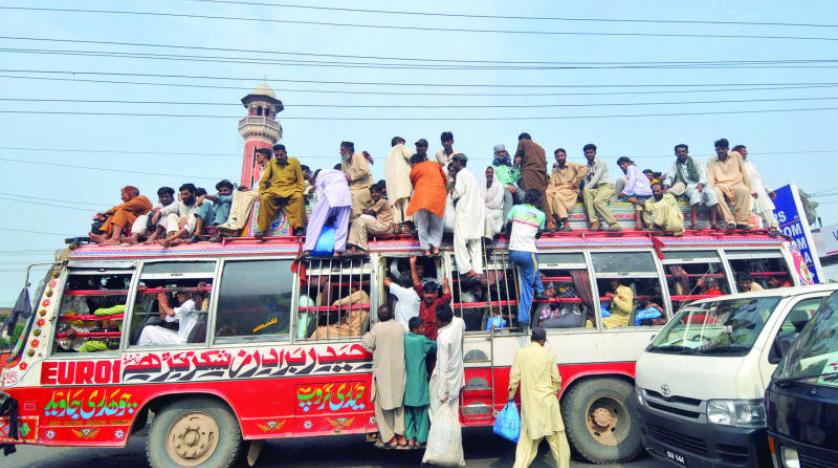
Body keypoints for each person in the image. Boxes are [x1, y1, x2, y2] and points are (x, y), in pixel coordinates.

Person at [508, 327, 571, 468]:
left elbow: (514, 379)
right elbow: (557, 380)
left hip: (531, 407)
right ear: (542, 341)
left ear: (531, 339)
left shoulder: (521, 354)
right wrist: (553, 391)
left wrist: (510, 397)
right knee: (558, 443)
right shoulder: (549, 355)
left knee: (526, 444)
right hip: (549, 405)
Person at [362, 305, 407, 449]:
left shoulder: (376, 329)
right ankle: (401, 436)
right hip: (399, 371)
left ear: (378, 316)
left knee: (383, 406)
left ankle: (389, 437)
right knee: (400, 404)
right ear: (392, 314)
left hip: (383, 373)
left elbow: (366, 344)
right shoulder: (400, 327)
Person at [507, 190, 547, 329]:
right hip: (528, 253)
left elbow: (508, 224)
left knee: (534, 265)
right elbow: (539, 233)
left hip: (513, 251)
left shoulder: (515, 208)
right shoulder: (541, 215)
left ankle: (540, 290)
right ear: (537, 201)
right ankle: (523, 320)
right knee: (528, 288)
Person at [255, 144, 306, 239]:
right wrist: (262, 191)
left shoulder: (294, 161)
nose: (279, 157)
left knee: (298, 197)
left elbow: (300, 180)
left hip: (291, 190)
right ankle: (262, 230)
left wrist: (299, 190)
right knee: (265, 198)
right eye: (277, 155)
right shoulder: (272, 163)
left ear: (285, 153)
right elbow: (263, 180)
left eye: (281, 155)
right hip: (275, 190)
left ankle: (299, 228)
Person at [662, 144, 718, 229]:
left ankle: (714, 222)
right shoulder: (674, 164)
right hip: (688, 185)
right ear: (676, 154)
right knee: (695, 193)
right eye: (679, 152)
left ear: (687, 152)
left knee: (712, 194)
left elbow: (703, 173)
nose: (681, 153)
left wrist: (701, 184)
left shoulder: (696, 161)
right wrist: (666, 186)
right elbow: (670, 176)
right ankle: (694, 223)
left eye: (683, 151)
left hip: (702, 183)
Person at [301, 168, 353, 258]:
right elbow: (349, 178)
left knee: (315, 221)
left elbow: (320, 197)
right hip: (346, 194)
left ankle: (308, 249)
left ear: (314, 179)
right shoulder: (337, 172)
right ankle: (338, 251)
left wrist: (327, 215)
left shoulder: (319, 176)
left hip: (331, 192)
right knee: (342, 225)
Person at [403, 316, 437, 449]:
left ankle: (410, 438)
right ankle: (421, 439)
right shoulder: (422, 340)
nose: (424, 329)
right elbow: (436, 346)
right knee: (421, 412)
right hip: (419, 381)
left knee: (408, 412)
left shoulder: (404, 339)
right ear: (415, 329)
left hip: (406, 381)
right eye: (422, 327)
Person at [449, 154, 485, 279]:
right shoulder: (472, 175)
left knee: (460, 241)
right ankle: (478, 270)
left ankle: (467, 269)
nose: (453, 164)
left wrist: (451, 194)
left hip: (465, 212)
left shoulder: (461, 174)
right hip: (476, 214)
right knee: (475, 243)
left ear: (458, 162)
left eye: (454, 162)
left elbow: (458, 192)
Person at [406, 151, 447, 256]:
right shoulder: (435, 164)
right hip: (438, 196)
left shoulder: (414, 170)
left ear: (414, 162)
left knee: (422, 224)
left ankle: (426, 249)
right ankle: (436, 248)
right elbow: (444, 179)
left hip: (423, 197)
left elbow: (414, 185)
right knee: (437, 224)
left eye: (411, 164)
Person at [429, 304, 465, 422]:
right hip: (456, 378)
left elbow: (442, 367)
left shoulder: (443, 338)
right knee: (452, 414)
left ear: (443, 322)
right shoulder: (459, 322)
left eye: (437, 319)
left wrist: (442, 393)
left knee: (436, 414)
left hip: (445, 382)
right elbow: (463, 327)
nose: (435, 321)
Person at [734, 144, 780, 236]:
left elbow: (759, 179)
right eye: (744, 151)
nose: (746, 153)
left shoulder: (751, 164)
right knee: (751, 215)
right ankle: (754, 234)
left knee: (767, 211)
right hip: (747, 195)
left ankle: (775, 230)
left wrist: (769, 190)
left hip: (760, 192)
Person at [707, 138, 752, 230]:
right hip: (720, 185)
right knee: (714, 192)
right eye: (718, 149)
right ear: (715, 150)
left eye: (723, 149)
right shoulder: (711, 162)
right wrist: (709, 191)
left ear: (727, 149)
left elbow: (744, 172)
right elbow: (710, 179)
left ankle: (741, 222)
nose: (720, 151)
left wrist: (750, 188)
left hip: (736, 184)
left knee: (745, 190)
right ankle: (730, 221)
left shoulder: (736, 156)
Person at [545, 148, 588, 232]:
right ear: (555, 158)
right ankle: (552, 220)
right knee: (547, 192)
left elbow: (585, 169)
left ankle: (566, 223)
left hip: (569, 189)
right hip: (557, 189)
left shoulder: (571, 165)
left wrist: (576, 180)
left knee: (558, 196)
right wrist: (549, 190)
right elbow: (552, 184)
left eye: (561, 155)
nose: (560, 158)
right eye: (557, 156)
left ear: (565, 156)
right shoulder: (555, 169)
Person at [581, 144, 621, 232]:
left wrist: (585, 188)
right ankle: (594, 222)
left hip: (607, 186)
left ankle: (614, 225)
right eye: (587, 153)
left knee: (597, 201)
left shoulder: (601, 163)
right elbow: (586, 182)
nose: (589, 154)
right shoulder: (586, 167)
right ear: (584, 154)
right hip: (597, 188)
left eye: (591, 152)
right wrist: (583, 191)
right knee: (586, 192)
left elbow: (596, 178)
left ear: (595, 153)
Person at [410, 256, 451, 340]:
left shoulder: (439, 303)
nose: (428, 296)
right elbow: (416, 282)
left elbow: (447, 295)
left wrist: (446, 283)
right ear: (423, 293)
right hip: (422, 340)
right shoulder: (423, 299)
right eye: (426, 293)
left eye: (431, 293)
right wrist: (412, 263)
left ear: (436, 294)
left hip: (435, 341)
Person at [347, 183, 395, 255]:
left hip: (386, 227)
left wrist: (360, 211)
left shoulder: (382, 201)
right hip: (380, 225)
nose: (374, 194)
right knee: (356, 220)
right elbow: (367, 212)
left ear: (381, 193)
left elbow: (369, 212)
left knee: (361, 219)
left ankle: (363, 248)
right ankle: (353, 248)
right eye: (372, 193)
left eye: (376, 192)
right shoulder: (375, 202)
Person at [516, 133, 551, 226]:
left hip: (530, 174)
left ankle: (532, 222)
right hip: (542, 176)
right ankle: (550, 222)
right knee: (543, 198)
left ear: (522, 139)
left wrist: (516, 162)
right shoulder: (541, 148)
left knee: (529, 197)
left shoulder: (523, 143)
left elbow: (517, 158)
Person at [384, 136, 414, 232]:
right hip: (403, 181)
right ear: (398, 142)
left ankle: (397, 225)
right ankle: (407, 225)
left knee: (395, 205)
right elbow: (412, 156)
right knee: (406, 202)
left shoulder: (388, 155)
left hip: (392, 185)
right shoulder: (400, 147)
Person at [616, 157, 653, 230]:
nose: (622, 166)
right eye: (620, 165)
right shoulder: (635, 169)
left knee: (623, 197)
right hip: (645, 193)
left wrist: (624, 192)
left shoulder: (631, 168)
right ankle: (641, 204)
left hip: (641, 193)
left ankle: (642, 204)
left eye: (623, 164)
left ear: (629, 163)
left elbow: (631, 181)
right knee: (632, 199)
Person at [340, 141, 373, 220]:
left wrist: (352, 177)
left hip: (365, 187)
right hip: (352, 188)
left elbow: (365, 171)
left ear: (349, 151)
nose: (340, 153)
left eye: (342, 150)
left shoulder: (359, 156)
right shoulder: (344, 161)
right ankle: (348, 219)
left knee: (354, 196)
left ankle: (357, 217)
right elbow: (343, 175)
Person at [492, 143, 522, 220]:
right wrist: (507, 186)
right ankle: (506, 224)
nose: (502, 154)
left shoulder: (508, 166)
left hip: (512, 185)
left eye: (503, 152)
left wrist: (517, 166)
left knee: (524, 196)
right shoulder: (493, 167)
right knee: (509, 197)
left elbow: (515, 178)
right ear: (495, 154)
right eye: (499, 152)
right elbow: (494, 181)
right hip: (501, 187)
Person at [483, 166, 506, 238]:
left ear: (494, 174)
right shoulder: (482, 185)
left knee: (488, 217)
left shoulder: (499, 185)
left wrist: (484, 205)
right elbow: (479, 200)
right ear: (485, 173)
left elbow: (496, 203)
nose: (489, 174)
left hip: (496, 210)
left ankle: (488, 237)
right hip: (485, 209)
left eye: (491, 172)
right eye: (488, 172)